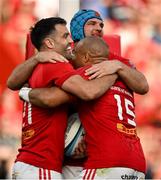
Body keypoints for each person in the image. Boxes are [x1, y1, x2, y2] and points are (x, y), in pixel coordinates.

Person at [20, 36, 147, 179]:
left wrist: (25, 91)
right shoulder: (125, 78)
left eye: (75, 54)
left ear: (86, 57)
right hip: (137, 163)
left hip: (107, 162)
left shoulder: (88, 72)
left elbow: (51, 99)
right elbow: (143, 86)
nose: (72, 59)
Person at [11, 17, 118, 179]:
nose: (70, 41)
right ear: (49, 43)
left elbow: (11, 82)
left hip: (31, 163)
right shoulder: (56, 64)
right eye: (65, 36)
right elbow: (87, 92)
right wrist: (114, 72)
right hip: (41, 165)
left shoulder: (36, 66)